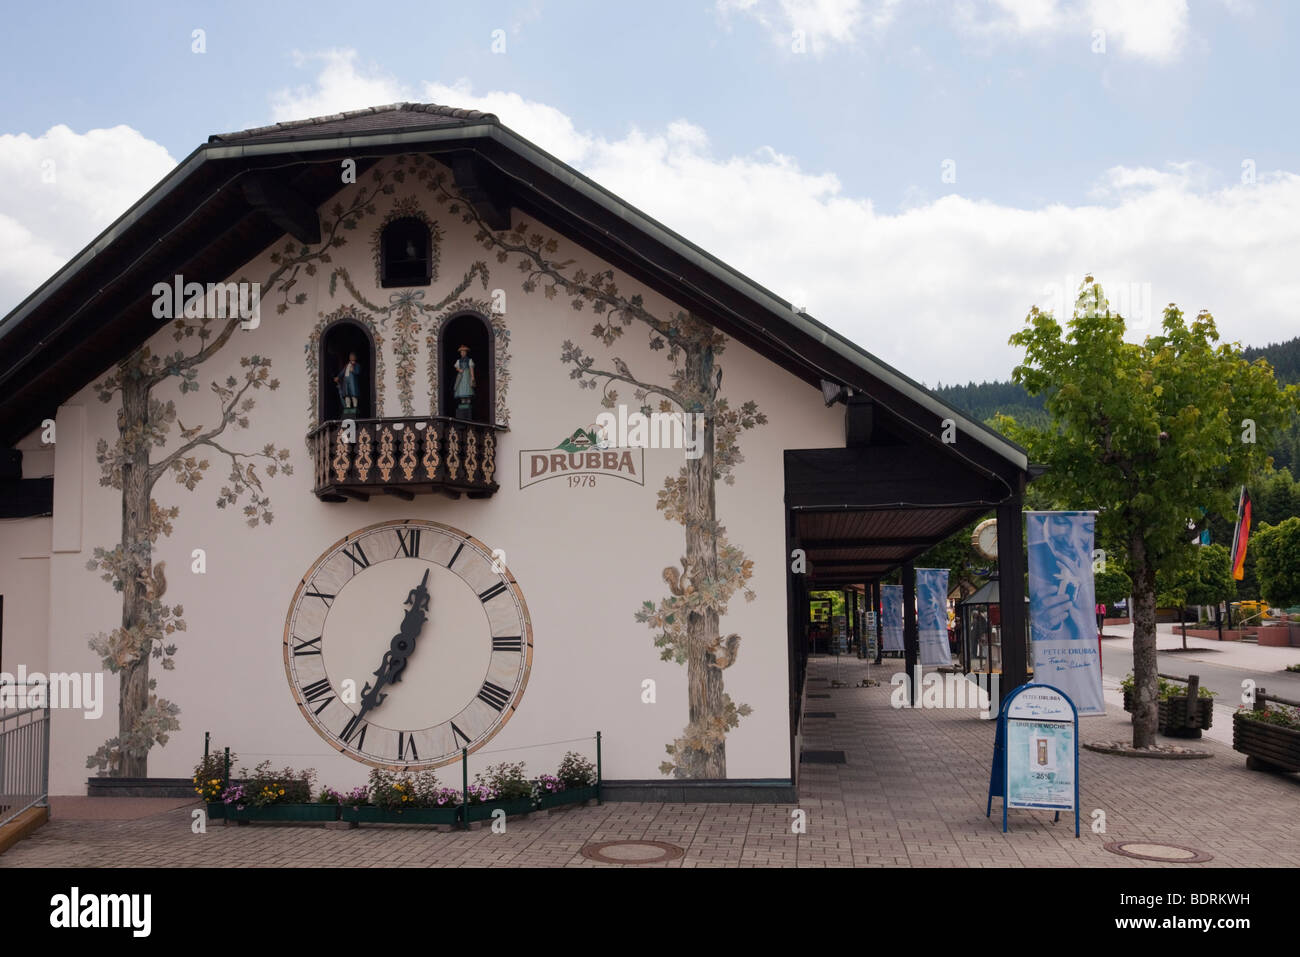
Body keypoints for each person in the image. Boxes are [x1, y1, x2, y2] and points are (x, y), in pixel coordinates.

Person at [334, 352, 362, 417]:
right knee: (347, 395)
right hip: (346, 382)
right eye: (350, 356)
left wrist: (353, 370)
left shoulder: (357, 365)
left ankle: (355, 406)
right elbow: (342, 372)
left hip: (352, 382)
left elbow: (358, 372)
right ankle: (348, 406)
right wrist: (338, 377)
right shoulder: (347, 365)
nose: (351, 357)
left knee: (353, 394)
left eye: (352, 356)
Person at [452, 344, 476, 419]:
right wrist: (459, 370)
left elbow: (471, 369)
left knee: (467, 387)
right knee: (461, 387)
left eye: (464, 352)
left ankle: (468, 401)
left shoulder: (469, 360)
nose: (462, 353)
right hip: (461, 376)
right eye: (461, 352)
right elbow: (456, 367)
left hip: (467, 375)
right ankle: (463, 401)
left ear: (466, 352)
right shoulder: (459, 361)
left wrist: (472, 377)